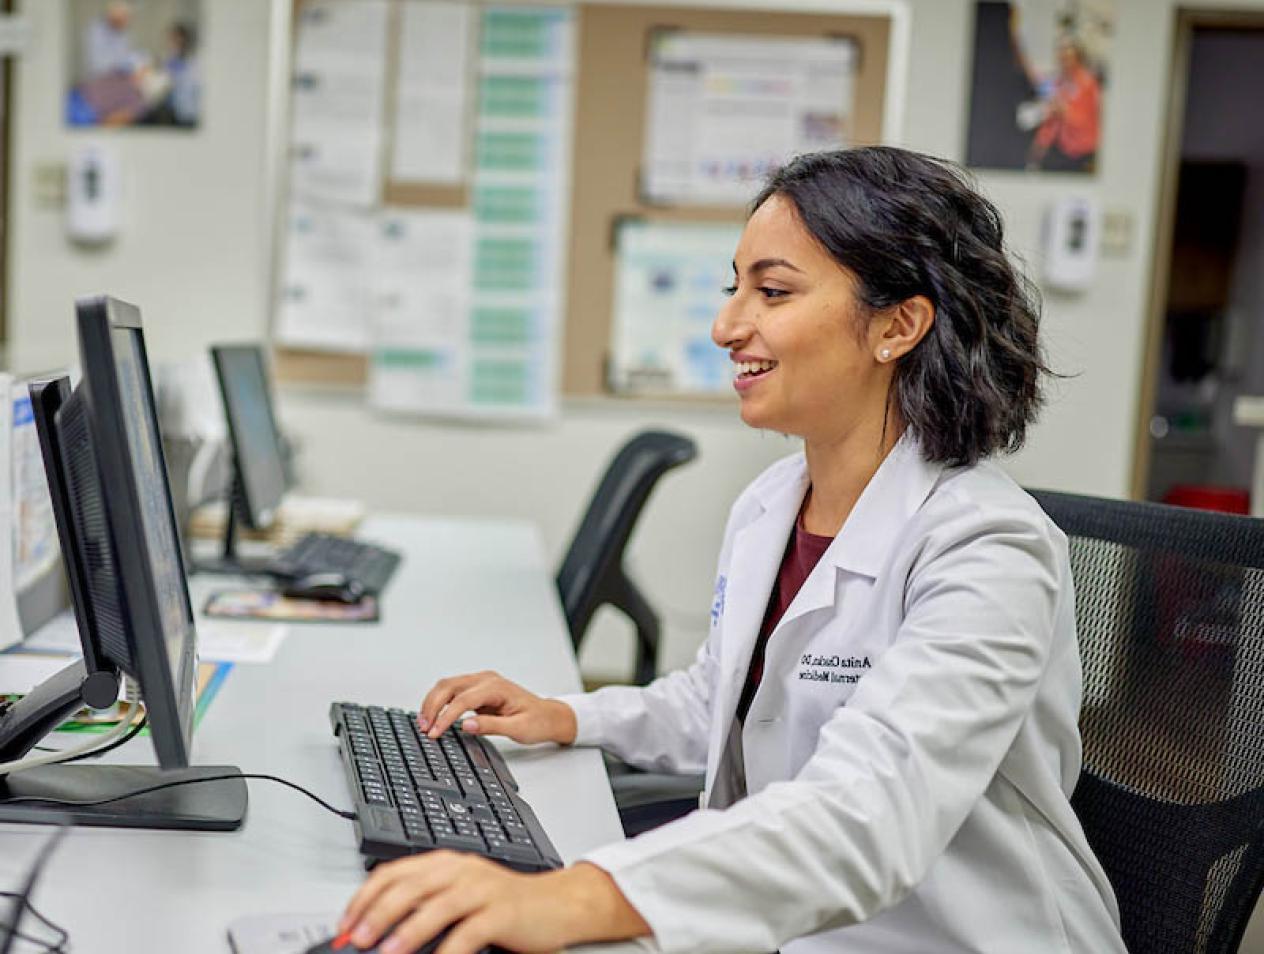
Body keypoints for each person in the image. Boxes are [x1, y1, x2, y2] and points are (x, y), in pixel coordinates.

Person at [334, 147, 1128, 954]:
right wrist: (568, 715)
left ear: (897, 325)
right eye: (733, 287)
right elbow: (723, 700)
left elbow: (871, 812)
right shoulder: (771, 505)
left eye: (773, 292)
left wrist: (573, 899)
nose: (726, 327)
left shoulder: (990, 551)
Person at [1026, 40, 1102, 172]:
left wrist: (1063, 110)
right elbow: (1051, 120)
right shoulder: (1058, 83)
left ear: (1078, 60)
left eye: (1068, 59)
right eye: (1061, 59)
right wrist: (1040, 144)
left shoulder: (1088, 84)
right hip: (1061, 148)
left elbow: (1085, 120)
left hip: (1082, 151)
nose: (1064, 63)